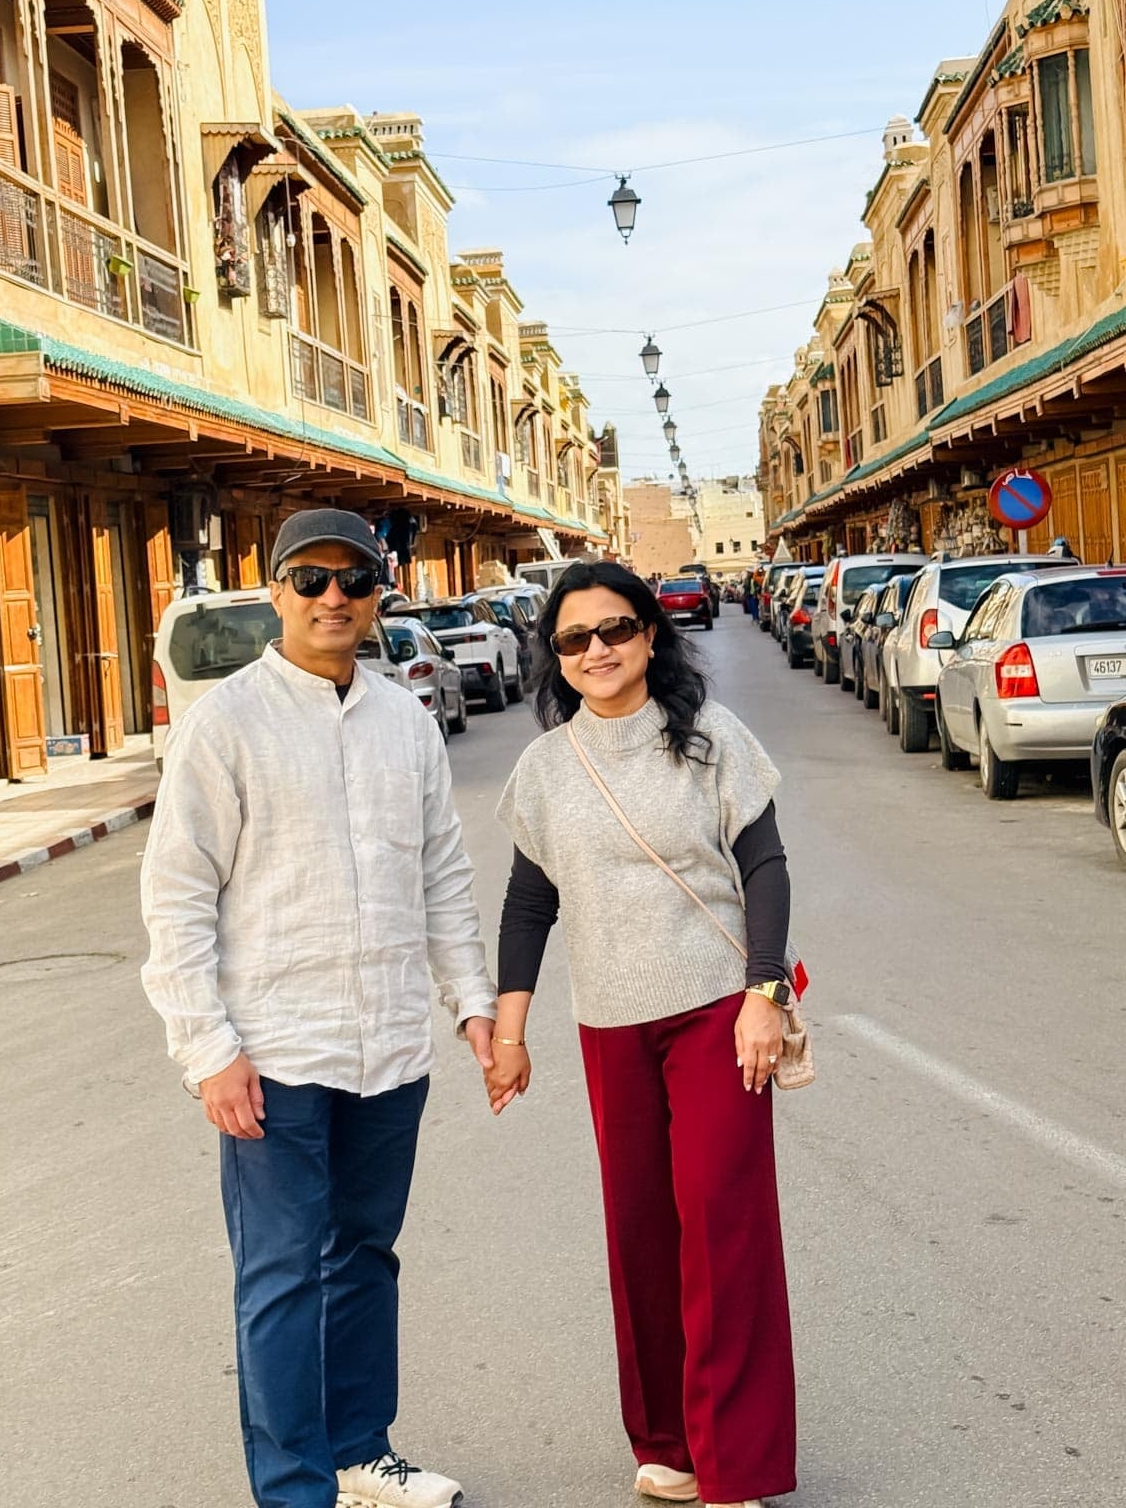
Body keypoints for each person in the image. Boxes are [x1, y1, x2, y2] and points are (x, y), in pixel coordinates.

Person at [140, 507, 496, 1508]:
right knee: (284, 1276)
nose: (332, 596)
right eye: (311, 579)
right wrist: (208, 1047)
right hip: (274, 1052)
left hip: (389, 1046)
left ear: (380, 590)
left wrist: (472, 1004)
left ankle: (359, 1450)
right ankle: (294, 1488)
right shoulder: (226, 723)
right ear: (276, 591)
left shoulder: (405, 720)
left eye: (353, 578)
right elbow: (176, 896)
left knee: (365, 1256)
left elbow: (442, 877)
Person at [488, 560, 796, 1508]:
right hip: (609, 1023)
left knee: (720, 1225)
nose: (598, 651)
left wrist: (764, 993)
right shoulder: (545, 768)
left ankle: (735, 1465)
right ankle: (668, 1443)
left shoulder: (707, 740)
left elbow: (766, 865)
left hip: (715, 1011)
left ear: (651, 635)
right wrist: (510, 1028)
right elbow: (528, 901)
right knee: (640, 1235)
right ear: (557, 656)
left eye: (616, 629)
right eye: (575, 639)